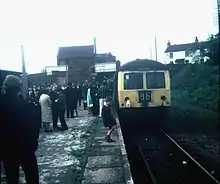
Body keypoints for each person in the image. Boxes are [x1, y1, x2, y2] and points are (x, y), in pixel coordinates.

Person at [0, 75, 39, 183]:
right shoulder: (25, 104)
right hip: (26, 147)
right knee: (32, 176)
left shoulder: (1, 103)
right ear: (19, 88)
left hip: (7, 149)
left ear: (5, 87)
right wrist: (34, 143)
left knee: (11, 177)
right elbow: (34, 126)